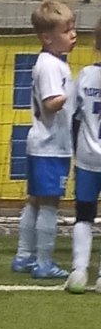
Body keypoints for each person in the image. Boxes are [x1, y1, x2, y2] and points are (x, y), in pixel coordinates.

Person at [11, 0, 76, 279]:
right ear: (47, 38)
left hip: (43, 143)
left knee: (36, 200)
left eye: (73, 28)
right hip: (51, 145)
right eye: (66, 30)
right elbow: (51, 104)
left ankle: (24, 256)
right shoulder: (50, 65)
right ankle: (44, 261)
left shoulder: (51, 62)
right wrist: (76, 92)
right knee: (49, 202)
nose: (73, 34)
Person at [65, 17, 101, 294]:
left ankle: (79, 271)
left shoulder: (86, 75)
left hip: (88, 157)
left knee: (84, 215)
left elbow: (73, 117)